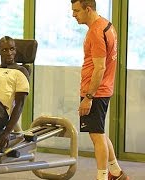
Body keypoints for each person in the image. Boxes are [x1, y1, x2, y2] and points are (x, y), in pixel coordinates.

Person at [71, 0, 129, 180]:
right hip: (102, 89)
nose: (73, 15)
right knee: (100, 133)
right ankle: (117, 173)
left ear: (88, 9)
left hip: (95, 91)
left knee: (97, 136)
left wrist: (88, 97)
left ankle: (102, 177)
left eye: (77, 11)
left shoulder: (96, 32)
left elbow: (100, 68)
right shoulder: (107, 25)